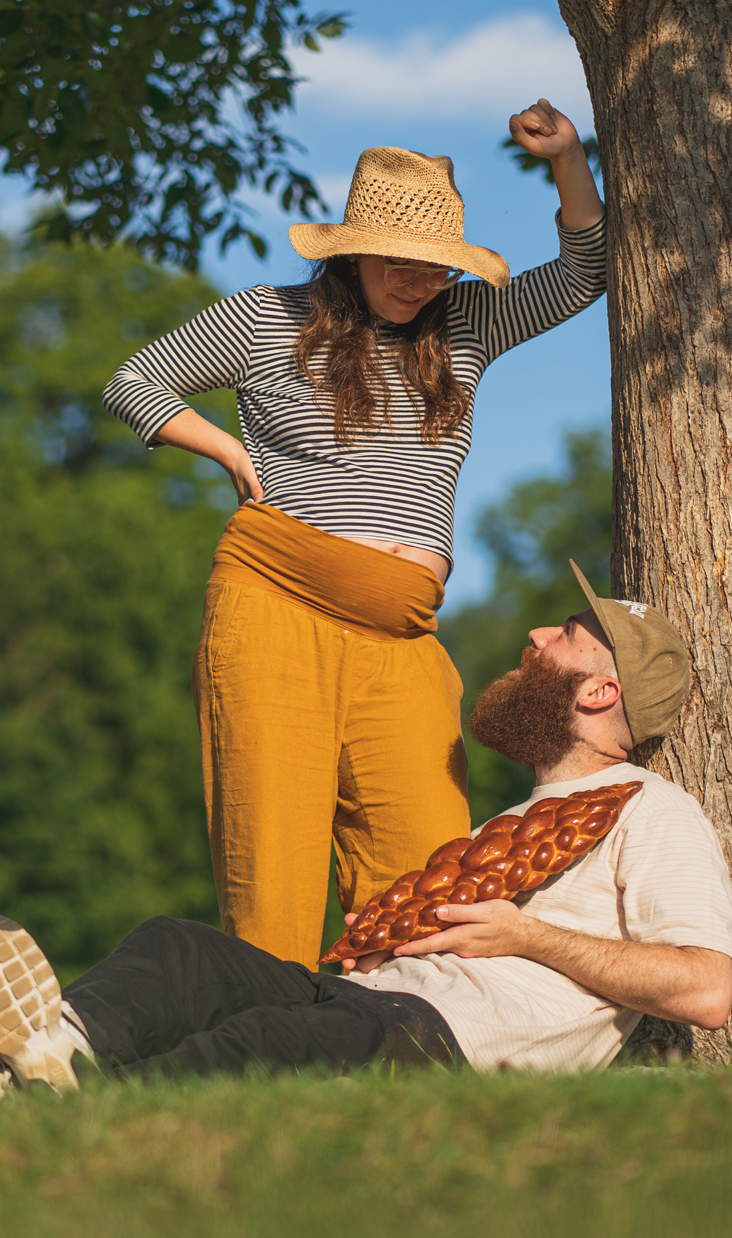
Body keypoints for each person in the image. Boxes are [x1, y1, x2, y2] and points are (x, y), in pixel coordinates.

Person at [0, 562, 732, 1091]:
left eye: (564, 636)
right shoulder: (516, 820)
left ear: (599, 691)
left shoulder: (653, 809)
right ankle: (47, 1048)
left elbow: (706, 990)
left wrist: (526, 936)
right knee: (180, 950)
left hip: (450, 1041)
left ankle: (62, 1104)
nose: (535, 635)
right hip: (370, 993)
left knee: (270, 1040)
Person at [100, 100, 609, 968]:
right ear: (353, 252)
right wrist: (226, 448)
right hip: (276, 609)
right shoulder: (268, 318)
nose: (419, 282)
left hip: (404, 638)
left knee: (430, 889)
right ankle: (251, 1045)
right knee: (273, 881)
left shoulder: (465, 325)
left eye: (437, 268)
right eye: (400, 263)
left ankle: (390, 1039)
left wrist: (565, 158)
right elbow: (134, 381)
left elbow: (582, 273)